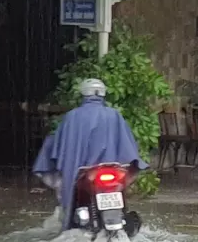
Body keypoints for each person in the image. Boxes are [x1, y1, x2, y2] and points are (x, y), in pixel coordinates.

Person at [32, 79, 147, 231]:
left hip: (83, 172)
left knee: (70, 196)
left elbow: (59, 143)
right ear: (103, 94)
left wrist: (49, 147)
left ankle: (73, 221)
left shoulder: (72, 117)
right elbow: (128, 145)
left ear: (83, 93)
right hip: (113, 170)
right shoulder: (114, 115)